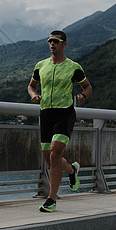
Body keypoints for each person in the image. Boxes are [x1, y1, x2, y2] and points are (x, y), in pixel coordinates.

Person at [27, 30, 92, 212]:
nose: (52, 44)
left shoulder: (74, 67)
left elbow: (87, 87)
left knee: (55, 153)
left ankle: (51, 199)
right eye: (49, 41)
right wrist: (33, 95)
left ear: (64, 44)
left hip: (64, 113)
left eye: (56, 41)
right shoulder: (41, 66)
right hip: (46, 113)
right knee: (50, 159)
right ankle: (72, 170)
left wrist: (82, 95)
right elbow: (31, 85)